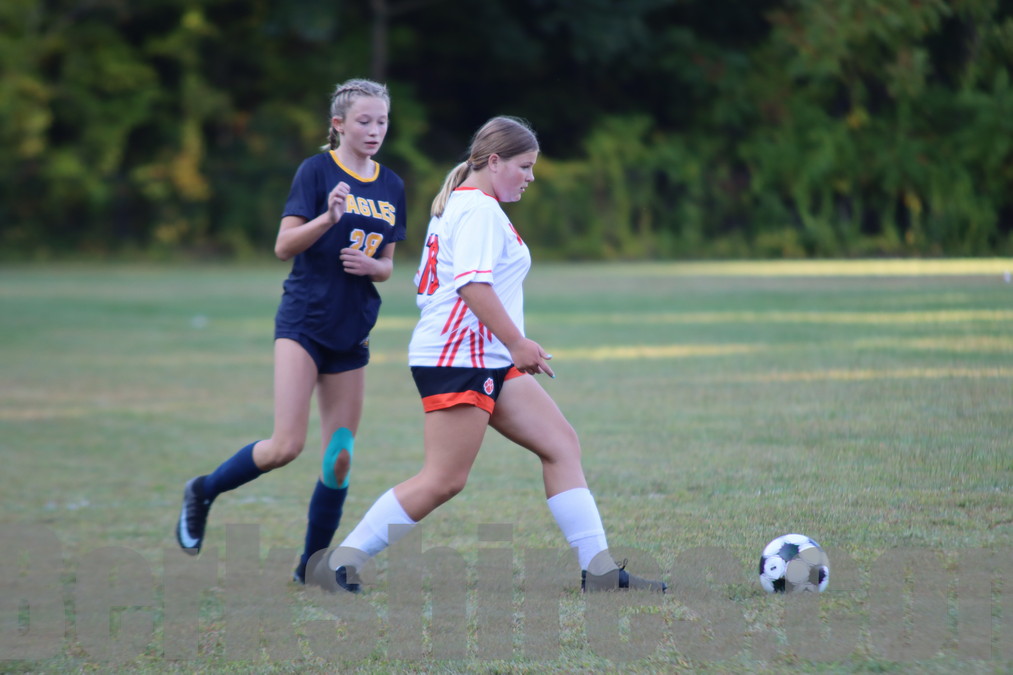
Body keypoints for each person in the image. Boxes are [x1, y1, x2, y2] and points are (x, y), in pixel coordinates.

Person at [311, 116, 666, 593]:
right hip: (459, 357)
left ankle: (599, 572)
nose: (531, 176)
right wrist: (518, 342)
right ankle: (338, 564)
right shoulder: (477, 209)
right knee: (443, 480)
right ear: (494, 162)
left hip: (485, 355)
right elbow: (472, 285)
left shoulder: (468, 204)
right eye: (525, 166)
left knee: (561, 445)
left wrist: (509, 347)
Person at [175, 79, 407, 584]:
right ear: (338, 124)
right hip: (304, 322)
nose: (374, 130)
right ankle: (203, 490)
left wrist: (373, 267)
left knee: (339, 458)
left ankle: (311, 566)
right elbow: (283, 247)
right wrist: (327, 218)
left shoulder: (391, 185)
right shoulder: (316, 171)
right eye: (364, 121)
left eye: (382, 121)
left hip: (352, 330)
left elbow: (389, 265)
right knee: (286, 446)